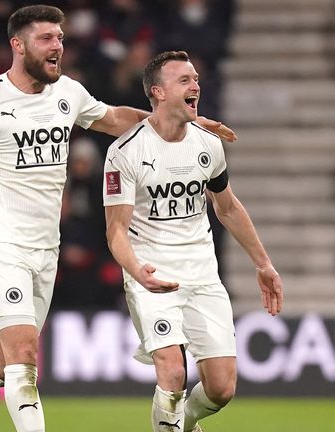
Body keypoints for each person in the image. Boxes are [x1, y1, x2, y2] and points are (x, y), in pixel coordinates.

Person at [0, 5, 236, 432]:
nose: (57, 45)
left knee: (4, 364)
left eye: (60, 37)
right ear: (17, 45)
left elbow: (115, 118)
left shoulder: (68, 94)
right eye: (46, 38)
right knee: (24, 355)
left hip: (45, 247)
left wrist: (180, 120)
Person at [102, 50, 283, 432]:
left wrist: (263, 263)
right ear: (158, 92)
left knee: (221, 388)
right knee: (172, 370)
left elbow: (228, 208)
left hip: (202, 273)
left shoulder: (207, 144)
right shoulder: (125, 152)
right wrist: (137, 272)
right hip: (151, 271)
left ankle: (180, 423)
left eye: (196, 79)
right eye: (184, 80)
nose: (195, 85)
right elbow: (115, 229)